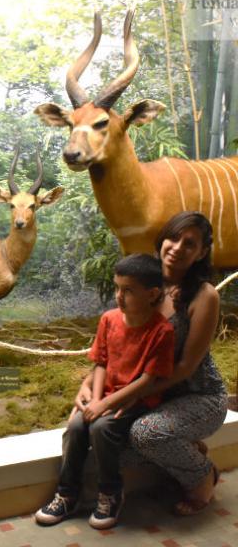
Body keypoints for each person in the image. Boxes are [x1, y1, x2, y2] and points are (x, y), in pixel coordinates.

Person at [72, 211, 228, 516]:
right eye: (173, 237)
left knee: (144, 433)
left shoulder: (203, 295)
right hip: (152, 394)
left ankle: (202, 477)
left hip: (198, 395)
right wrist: (89, 385)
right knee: (106, 439)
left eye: (190, 243)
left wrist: (123, 397)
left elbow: (184, 367)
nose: (177, 247)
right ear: (162, 239)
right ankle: (187, 449)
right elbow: (115, 347)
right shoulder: (144, 280)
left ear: (202, 253)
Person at [35, 254, 174, 530]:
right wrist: (96, 401)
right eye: (117, 288)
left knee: (101, 428)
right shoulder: (109, 320)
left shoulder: (162, 331)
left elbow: (147, 381)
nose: (119, 296)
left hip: (136, 401)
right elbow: (101, 362)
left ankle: (110, 492)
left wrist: (105, 405)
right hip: (106, 395)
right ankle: (67, 494)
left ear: (152, 294)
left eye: (128, 290)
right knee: (76, 425)